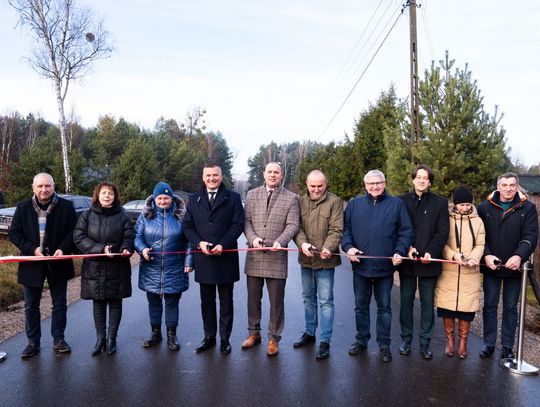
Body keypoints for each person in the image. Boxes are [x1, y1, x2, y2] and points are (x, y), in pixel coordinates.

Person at [342, 169, 413, 363]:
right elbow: (346, 231)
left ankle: (384, 345)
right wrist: (348, 247)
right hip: (361, 267)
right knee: (360, 307)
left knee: (384, 309)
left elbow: (405, 232)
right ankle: (361, 340)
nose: (374, 186)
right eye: (370, 183)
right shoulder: (354, 205)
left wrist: (399, 251)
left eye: (378, 183)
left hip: (385, 269)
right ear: (365, 185)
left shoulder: (396, 204)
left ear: (384, 183)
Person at [8, 173, 76, 358]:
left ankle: (59, 340)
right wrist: (32, 249)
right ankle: (33, 342)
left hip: (58, 262)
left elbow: (73, 232)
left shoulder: (66, 206)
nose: (44, 189)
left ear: (53, 186)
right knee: (31, 305)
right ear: (33, 187)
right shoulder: (23, 207)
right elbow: (14, 233)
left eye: (47, 186)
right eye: (40, 186)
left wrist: (63, 248)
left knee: (59, 304)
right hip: (32, 263)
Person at [183, 163, 244, 355]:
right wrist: (198, 243)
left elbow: (238, 225)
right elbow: (187, 226)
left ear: (221, 176)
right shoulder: (194, 198)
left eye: (215, 175)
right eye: (208, 175)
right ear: (203, 178)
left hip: (225, 257)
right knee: (207, 302)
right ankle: (209, 337)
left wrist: (223, 245)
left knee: (226, 302)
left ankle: (225, 339)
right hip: (204, 258)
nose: (212, 178)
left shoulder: (233, 198)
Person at [477, 172, 538, 359]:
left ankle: (507, 346)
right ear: (498, 187)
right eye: (504, 185)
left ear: (517, 186)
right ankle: (488, 343)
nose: (508, 189)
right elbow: (478, 236)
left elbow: (531, 235)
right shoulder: (484, 207)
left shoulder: (527, 208)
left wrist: (519, 256)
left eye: (512, 185)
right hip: (491, 266)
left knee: (511, 307)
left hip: (514, 267)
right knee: (489, 305)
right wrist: (486, 255)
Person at [242, 162, 300, 356]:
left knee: (276, 302)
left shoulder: (291, 198)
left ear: (281, 175)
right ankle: (253, 333)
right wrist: (253, 239)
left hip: (277, 255)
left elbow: (293, 224)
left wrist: (280, 241)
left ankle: (274, 338)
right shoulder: (252, 195)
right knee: (253, 299)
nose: (273, 175)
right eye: (269, 172)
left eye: (276, 172)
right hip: (255, 255)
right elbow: (246, 221)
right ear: (263, 174)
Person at [73, 182, 134, 356]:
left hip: (117, 266)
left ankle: (112, 338)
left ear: (115, 197)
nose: (107, 196)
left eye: (110, 193)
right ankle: (100, 339)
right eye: (104, 193)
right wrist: (100, 249)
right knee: (98, 302)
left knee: (115, 302)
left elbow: (130, 236)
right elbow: (78, 237)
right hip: (94, 267)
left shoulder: (123, 215)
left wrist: (126, 248)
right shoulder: (87, 215)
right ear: (97, 195)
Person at [397, 164, 449, 359]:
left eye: (425, 178)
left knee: (427, 304)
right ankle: (406, 339)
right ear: (413, 179)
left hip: (429, 261)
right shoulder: (401, 201)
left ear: (430, 182)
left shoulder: (440, 203)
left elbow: (442, 232)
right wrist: (407, 248)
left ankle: (425, 342)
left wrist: (430, 252)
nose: (421, 180)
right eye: (418, 177)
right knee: (406, 301)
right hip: (408, 261)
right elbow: (398, 228)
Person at [135, 182, 193, 351]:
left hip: (175, 266)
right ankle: (155, 333)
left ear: (171, 198)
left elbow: (190, 241)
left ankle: (171, 335)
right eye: (159, 198)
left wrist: (189, 261)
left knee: (172, 302)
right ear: (154, 198)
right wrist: (142, 249)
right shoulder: (145, 216)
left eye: (166, 198)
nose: (162, 201)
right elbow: (137, 236)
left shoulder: (181, 216)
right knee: (153, 302)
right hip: (151, 267)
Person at [293, 170, 343, 360]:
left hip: (326, 260)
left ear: (325, 184)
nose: (316, 189)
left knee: (326, 301)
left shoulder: (335, 202)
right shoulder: (299, 201)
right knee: (308, 298)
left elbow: (336, 229)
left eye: (319, 186)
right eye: (312, 186)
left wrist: (328, 247)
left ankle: (325, 340)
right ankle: (309, 332)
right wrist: (303, 244)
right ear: (307, 185)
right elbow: (297, 227)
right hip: (306, 259)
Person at [434, 187, 485, 359]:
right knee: (447, 307)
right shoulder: (446, 219)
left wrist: (474, 258)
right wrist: (453, 255)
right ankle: (449, 340)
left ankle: (463, 342)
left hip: (470, 271)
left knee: (466, 309)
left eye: (468, 204)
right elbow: (441, 242)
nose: (465, 208)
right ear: (455, 204)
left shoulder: (478, 221)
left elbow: (480, 244)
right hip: (449, 270)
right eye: (461, 204)